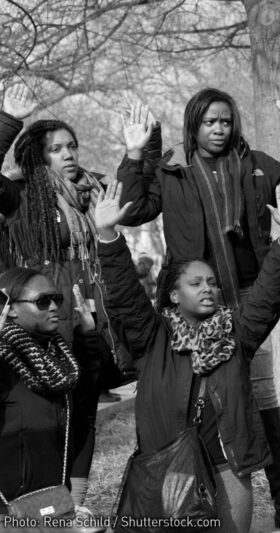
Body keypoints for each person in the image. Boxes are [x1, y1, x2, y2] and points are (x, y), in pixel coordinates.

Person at [118, 89, 280, 531]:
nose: (219, 129)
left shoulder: (254, 166)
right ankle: (183, 481)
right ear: (193, 125)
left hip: (247, 299)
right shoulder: (172, 171)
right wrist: (135, 155)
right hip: (190, 306)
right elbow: (132, 209)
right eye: (210, 121)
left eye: (226, 121)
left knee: (257, 396)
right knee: (191, 399)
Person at [95, 181, 280, 533]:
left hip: (228, 465)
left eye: (211, 282)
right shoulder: (152, 337)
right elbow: (125, 297)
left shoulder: (237, 332)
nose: (208, 288)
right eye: (196, 283)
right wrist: (108, 236)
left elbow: (268, 296)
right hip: (168, 468)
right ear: (174, 295)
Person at [0, 83, 125, 515]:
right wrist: (8, 123)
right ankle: (40, 508)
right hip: (43, 326)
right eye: (56, 149)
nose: (69, 154)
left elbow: (142, 199)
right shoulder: (19, 199)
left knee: (84, 414)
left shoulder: (91, 195)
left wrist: (141, 151)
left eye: (72, 146)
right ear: (37, 157)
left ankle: (76, 506)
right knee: (45, 421)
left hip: (89, 322)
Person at [0, 268, 81, 516]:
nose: (54, 307)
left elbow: (88, 414)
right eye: (42, 301)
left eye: (57, 299)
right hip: (8, 508)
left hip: (55, 500)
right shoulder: (3, 361)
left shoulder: (59, 359)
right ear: (10, 308)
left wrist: (89, 337)